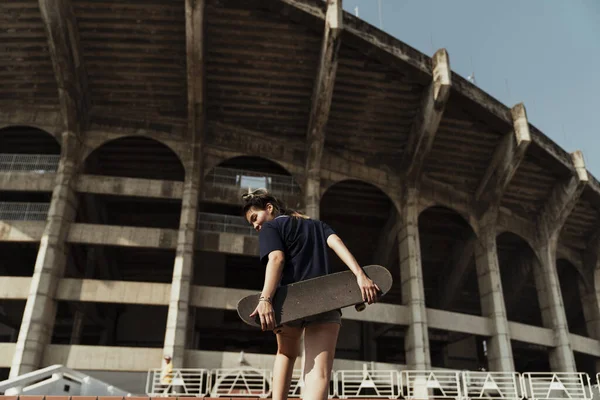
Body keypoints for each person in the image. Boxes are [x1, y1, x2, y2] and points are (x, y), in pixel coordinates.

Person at [242, 188, 380, 400]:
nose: (255, 225)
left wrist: (265, 299)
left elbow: (276, 259)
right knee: (319, 373)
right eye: (251, 223)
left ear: (269, 208)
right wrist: (360, 276)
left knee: (286, 353)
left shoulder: (272, 227)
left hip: (290, 304)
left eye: (255, 217)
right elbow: (337, 244)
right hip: (324, 302)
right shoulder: (318, 226)